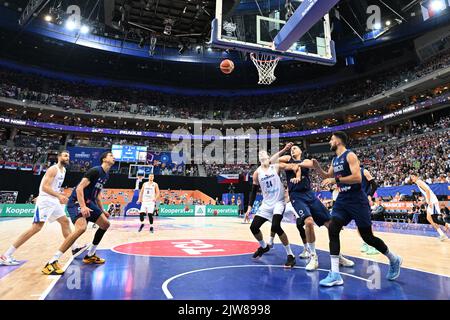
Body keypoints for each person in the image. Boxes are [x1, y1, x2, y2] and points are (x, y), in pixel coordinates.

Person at [313, 131, 401, 286]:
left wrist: (335, 179)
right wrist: (318, 168)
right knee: (333, 228)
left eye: (332, 139)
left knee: (367, 237)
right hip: (342, 201)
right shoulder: (335, 160)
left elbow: (357, 178)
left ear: (339, 141)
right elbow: (327, 176)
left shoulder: (350, 155)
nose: (329, 142)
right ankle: (335, 274)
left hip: (357, 200)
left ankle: (394, 259)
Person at [270, 143, 354, 271]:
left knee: (332, 226)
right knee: (308, 222)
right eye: (291, 149)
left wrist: (295, 166)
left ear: (300, 151)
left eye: (295, 148)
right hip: (296, 196)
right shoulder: (287, 159)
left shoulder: (305, 160)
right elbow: (271, 161)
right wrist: (284, 150)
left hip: (310, 195)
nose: (292, 149)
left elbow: (312, 165)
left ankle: (338, 256)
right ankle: (313, 257)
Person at [0, 151, 86, 266]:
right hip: (46, 201)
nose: (67, 158)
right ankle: (6, 255)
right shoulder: (53, 169)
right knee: (36, 227)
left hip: (53, 201)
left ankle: (74, 248)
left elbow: (52, 187)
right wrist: (58, 195)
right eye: (65, 156)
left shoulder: (63, 170)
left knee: (65, 222)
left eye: (69, 156)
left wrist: (57, 195)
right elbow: (45, 187)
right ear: (59, 157)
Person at [41, 151, 115, 275]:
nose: (113, 157)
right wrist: (83, 206)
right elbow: (80, 188)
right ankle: (52, 262)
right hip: (76, 201)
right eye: (111, 155)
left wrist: (102, 210)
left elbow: (97, 196)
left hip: (89, 202)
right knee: (81, 228)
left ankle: (90, 254)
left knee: (105, 224)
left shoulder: (106, 175)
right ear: (104, 159)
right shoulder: (95, 171)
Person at [245, 150, 300, 268]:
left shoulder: (275, 167)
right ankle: (264, 246)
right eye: (260, 155)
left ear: (269, 157)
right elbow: (253, 192)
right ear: (259, 160)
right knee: (253, 227)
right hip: (266, 205)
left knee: (275, 226)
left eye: (264, 154)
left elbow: (290, 165)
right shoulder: (257, 173)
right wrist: (249, 208)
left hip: (278, 203)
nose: (262, 155)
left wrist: (295, 168)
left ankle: (291, 255)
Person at [408, 174, 449, 240]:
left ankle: (448, 226)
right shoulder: (419, 183)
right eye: (411, 177)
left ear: (416, 177)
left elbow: (427, 190)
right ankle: (442, 234)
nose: (412, 178)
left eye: (413, 176)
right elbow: (426, 192)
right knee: (429, 218)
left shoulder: (419, 182)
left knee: (435, 219)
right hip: (431, 200)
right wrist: (423, 201)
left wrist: (429, 201)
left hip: (432, 201)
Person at [360, 166, 380, 255]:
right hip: (357, 201)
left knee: (367, 224)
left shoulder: (364, 171)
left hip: (364, 200)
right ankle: (365, 242)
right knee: (359, 225)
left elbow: (374, 185)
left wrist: (369, 195)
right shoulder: (351, 174)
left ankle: (373, 246)